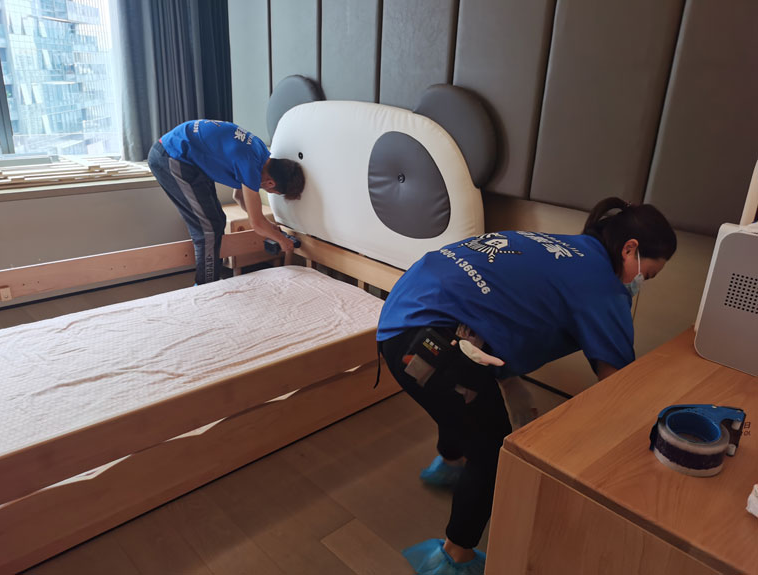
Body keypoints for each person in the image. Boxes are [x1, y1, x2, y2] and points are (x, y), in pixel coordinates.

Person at [376, 197, 677, 574]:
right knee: (492, 449)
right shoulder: (602, 284)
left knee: (463, 400)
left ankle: (452, 462)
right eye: (648, 274)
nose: (640, 283)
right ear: (630, 249)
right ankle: (455, 556)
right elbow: (618, 385)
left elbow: (501, 309)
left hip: (401, 316)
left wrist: (511, 383)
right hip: (427, 345)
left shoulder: (567, 248)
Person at [148, 120, 305, 285]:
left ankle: (211, 279)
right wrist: (282, 241)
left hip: (188, 159)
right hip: (171, 155)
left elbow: (239, 197)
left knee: (217, 221)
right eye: (272, 192)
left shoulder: (260, 153)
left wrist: (269, 227)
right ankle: (205, 286)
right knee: (208, 228)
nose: (266, 191)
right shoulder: (251, 166)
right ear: (271, 183)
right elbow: (257, 223)